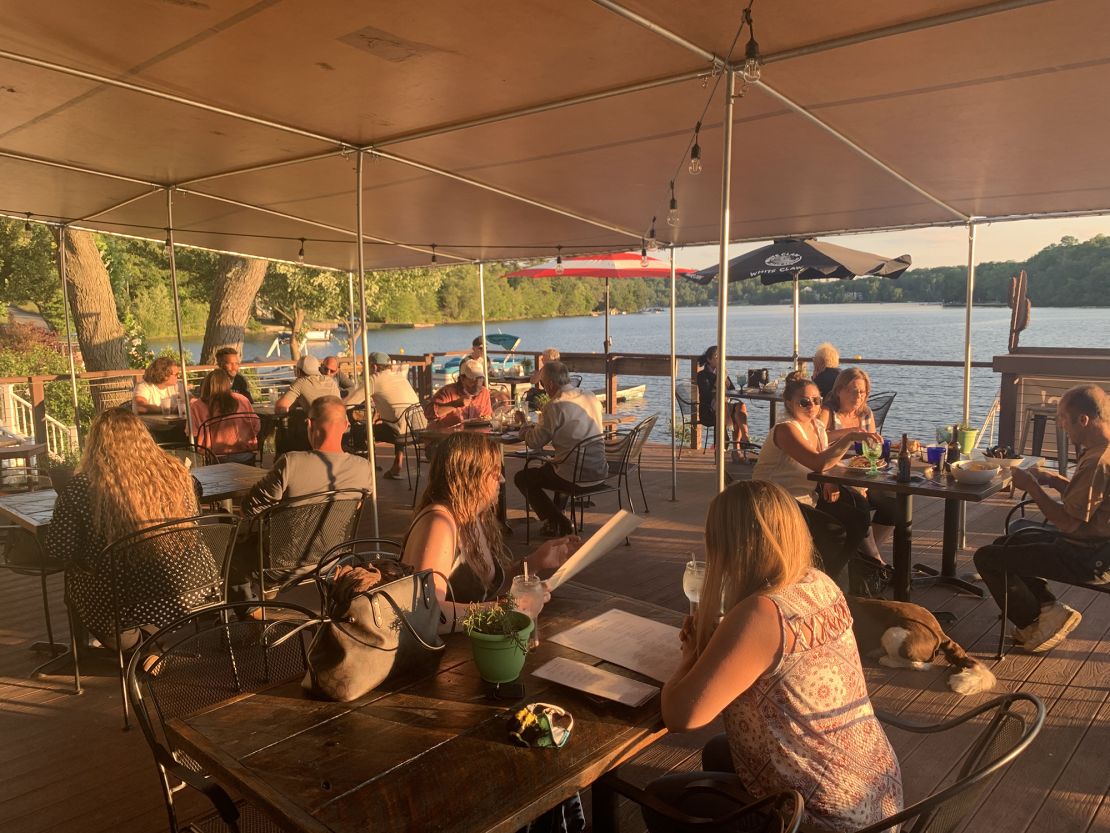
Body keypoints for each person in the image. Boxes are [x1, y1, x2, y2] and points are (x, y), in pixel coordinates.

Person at [645, 480, 902, 833]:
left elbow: (680, 716)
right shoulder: (819, 582)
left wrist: (689, 657)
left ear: (728, 545)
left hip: (825, 822)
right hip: (874, 797)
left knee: (659, 798)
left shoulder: (761, 614)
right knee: (721, 750)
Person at [43, 409, 216, 649]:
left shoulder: (82, 487)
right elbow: (194, 518)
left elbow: (60, 549)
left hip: (120, 602)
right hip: (189, 590)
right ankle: (154, 645)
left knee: (76, 576)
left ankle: (139, 650)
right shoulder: (177, 473)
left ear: (95, 444)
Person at [973, 384, 1110, 653]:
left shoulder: (1098, 461)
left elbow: (1069, 523)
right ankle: (1048, 609)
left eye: (1063, 419)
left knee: (986, 558)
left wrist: (1033, 488)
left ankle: (1035, 622)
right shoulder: (1101, 450)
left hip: (1086, 556)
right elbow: (1091, 502)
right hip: (1095, 545)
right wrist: (1054, 480)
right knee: (1008, 542)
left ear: (1083, 420)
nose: (1061, 426)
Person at [401, 431, 578, 631]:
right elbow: (428, 613)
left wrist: (534, 563)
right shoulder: (439, 523)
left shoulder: (472, 517)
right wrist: (507, 607)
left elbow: (487, 590)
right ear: (469, 476)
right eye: (494, 471)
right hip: (443, 656)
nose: (501, 479)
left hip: (473, 643)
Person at [228, 396, 372, 602]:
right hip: (332, 558)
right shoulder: (363, 468)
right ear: (347, 425)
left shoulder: (290, 463)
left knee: (229, 551)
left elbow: (249, 509)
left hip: (279, 564)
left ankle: (249, 613)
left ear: (309, 424)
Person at [752, 375, 881, 581]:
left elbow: (825, 465)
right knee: (834, 531)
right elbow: (818, 463)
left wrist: (829, 480)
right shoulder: (786, 429)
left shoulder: (817, 427)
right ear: (789, 403)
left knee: (858, 512)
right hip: (775, 499)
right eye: (804, 401)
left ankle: (834, 575)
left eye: (817, 400)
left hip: (807, 496)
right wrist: (848, 438)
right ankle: (821, 579)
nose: (811, 405)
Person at [513, 361, 606, 537]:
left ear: (549, 384)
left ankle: (559, 521)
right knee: (553, 466)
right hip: (599, 470)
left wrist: (524, 429)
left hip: (574, 476)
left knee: (523, 478)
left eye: (542, 384)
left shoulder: (554, 406)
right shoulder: (590, 396)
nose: (542, 388)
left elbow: (534, 443)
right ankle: (553, 523)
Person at [822, 367, 896, 566]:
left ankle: (866, 557)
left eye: (862, 392)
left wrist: (864, 482)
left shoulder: (865, 413)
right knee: (859, 506)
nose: (859, 396)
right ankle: (877, 563)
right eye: (853, 390)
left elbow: (871, 447)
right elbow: (818, 439)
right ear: (839, 390)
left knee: (893, 502)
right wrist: (850, 433)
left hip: (860, 473)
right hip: (831, 475)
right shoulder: (828, 412)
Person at [346, 351, 425, 478]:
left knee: (361, 431)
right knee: (397, 422)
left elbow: (349, 404)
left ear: (374, 367)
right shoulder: (400, 377)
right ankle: (397, 464)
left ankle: (364, 469)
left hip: (402, 434)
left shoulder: (374, 379)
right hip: (418, 430)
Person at [190, 368, 261, 463]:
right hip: (244, 454)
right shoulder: (242, 400)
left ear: (205, 385)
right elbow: (256, 426)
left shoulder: (196, 406)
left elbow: (193, 435)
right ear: (228, 384)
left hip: (213, 457)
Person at [695, 346, 750, 461]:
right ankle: (735, 451)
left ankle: (745, 437)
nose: (720, 359)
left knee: (741, 406)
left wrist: (725, 379)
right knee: (733, 413)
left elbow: (733, 391)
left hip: (724, 405)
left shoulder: (722, 373)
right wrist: (719, 379)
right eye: (716, 356)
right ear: (709, 360)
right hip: (709, 409)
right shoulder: (702, 375)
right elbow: (707, 394)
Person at [429, 358, 492, 428]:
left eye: (480, 378)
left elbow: (487, 416)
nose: (477, 383)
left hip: (470, 435)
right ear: (462, 378)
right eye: (473, 379)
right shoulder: (448, 391)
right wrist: (455, 404)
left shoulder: (484, 393)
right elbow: (429, 413)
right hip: (443, 436)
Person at [275, 354, 340, 414]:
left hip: (322, 425)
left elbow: (279, 408)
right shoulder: (331, 381)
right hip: (343, 424)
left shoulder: (301, 382)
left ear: (298, 371)